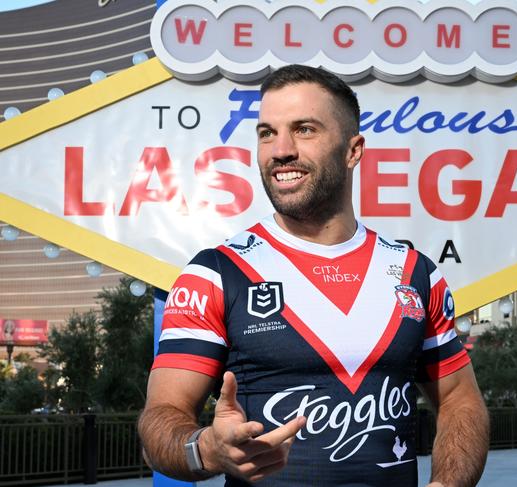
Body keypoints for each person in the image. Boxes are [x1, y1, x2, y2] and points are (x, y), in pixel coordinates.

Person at [138, 64, 489, 487]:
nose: (280, 149)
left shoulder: (416, 274)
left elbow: (460, 400)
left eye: (304, 129)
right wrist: (206, 450)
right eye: (267, 133)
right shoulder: (216, 273)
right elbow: (160, 419)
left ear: (353, 150)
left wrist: (448, 484)